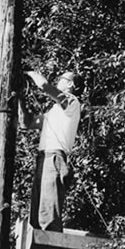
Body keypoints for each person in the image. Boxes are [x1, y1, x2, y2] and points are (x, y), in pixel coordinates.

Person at [20, 69, 83, 231]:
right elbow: (27, 124)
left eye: (62, 78)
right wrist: (20, 98)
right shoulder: (55, 112)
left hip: (54, 158)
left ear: (70, 84)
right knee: (37, 216)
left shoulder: (72, 102)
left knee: (48, 215)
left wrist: (29, 73)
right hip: (44, 159)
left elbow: (44, 86)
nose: (58, 81)